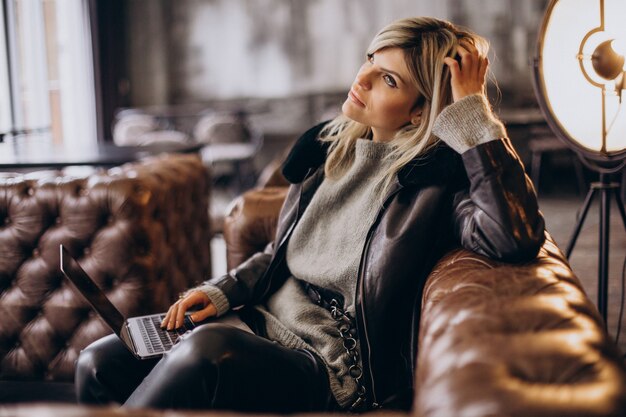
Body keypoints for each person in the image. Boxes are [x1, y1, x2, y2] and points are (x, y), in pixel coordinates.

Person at [75, 16, 545, 412]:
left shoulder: (440, 183)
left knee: (205, 353)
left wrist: (474, 115)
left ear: (420, 112)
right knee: (98, 361)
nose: (360, 80)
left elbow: (514, 235)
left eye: (388, 80)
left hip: (329, 366)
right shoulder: (329, 151)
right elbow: (283, 253)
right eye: (370, 62)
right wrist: (221, 292)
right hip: (259, 323)